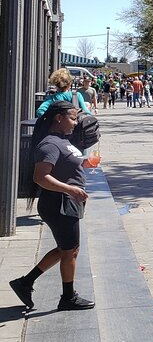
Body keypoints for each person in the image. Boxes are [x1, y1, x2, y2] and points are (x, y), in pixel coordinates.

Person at [9, 101, 95, 311]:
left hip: (65, 202)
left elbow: (63, 162)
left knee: (67, 248)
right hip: (59, 203)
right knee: (70, 251)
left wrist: (83, 163)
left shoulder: (60, 140)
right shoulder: (49, 144)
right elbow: (41, 177)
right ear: (59, 118)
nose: (76, 123)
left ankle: (25, 282)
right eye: (73, 118)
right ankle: (67, 298)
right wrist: (70, 189)